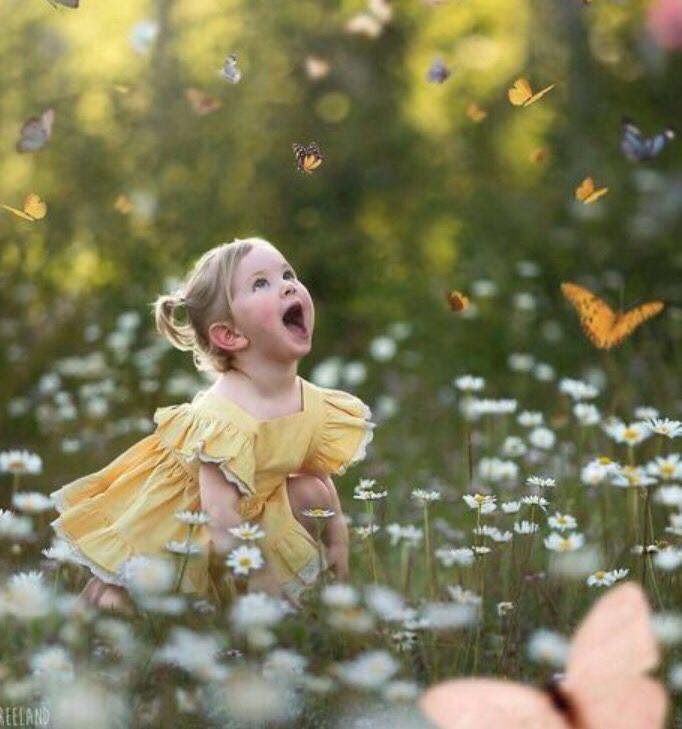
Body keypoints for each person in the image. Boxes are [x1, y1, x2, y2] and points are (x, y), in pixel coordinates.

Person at [49, 237, 374, 613]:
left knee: (311, 492)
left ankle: (283, 614)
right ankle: (85, 623)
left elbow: (321, 482)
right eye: (260, 283)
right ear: (230, 335)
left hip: (252, 513)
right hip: (184, 523)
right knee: (122, 600)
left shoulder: (311, 404)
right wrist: (259, 577)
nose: (287, 284)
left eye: (287, 274)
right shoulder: (223, 420)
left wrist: (338, 546)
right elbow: (220, 521)